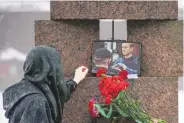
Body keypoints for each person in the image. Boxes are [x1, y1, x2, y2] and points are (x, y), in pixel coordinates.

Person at [3, 45, 88, 123]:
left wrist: (75, 80)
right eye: (58, 65)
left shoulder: (25, 89)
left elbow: (56, 93)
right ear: (50, 69)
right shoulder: (36, 102)